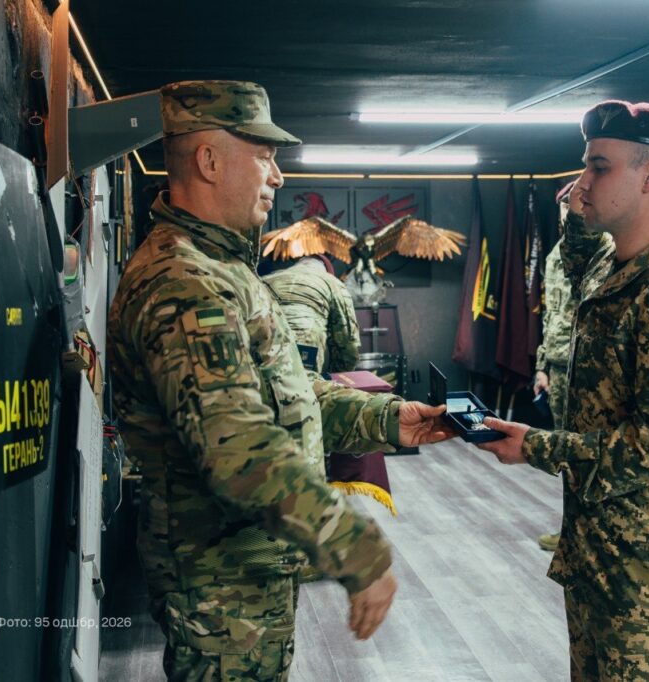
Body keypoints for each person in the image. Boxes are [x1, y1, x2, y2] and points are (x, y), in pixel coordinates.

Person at [107, 80, 454, 680]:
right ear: (209, 161)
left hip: (247, 570)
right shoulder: (184, 283)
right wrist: (353, 546)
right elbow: (238, 450)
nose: (278, 176)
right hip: (220, 588)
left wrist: (383, 418)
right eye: (264, 156)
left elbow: (284, 394)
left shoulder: (223, 269)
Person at [478, 99, 649, 680]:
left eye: (598, 167)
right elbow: (577, 258)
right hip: (599, 548)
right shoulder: (614, 268)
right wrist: (580, 210)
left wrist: (536, 446)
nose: (581, 183)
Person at [532, 182, 608, 553]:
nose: (568, 214)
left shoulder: (605, 251)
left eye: (573, 206)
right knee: (566, 449)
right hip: (560, 364)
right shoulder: (555, 255)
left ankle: (592, 532)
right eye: (564, 208)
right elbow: (551, 315)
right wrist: (543, 365)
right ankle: (571, 528)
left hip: (588, 365)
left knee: (588, 451)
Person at [262, 254, 361, 376]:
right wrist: (341, 376)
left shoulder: (268, 279)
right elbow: (348, 339)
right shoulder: (332, 283)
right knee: (305, 383)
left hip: (268, 343)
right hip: (305, 342)